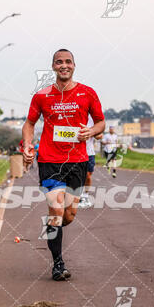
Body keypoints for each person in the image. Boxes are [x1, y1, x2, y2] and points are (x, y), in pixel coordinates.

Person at [22, 49, 105, 280]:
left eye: (68, 62)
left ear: (74, 65)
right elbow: (29, 124)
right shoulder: (42, 96)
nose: (64, 65)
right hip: (49, 160)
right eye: (59, 62)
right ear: (53, 67)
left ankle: (52, 228)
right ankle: (58, 264)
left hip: (77, 161)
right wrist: (28, 145)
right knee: (57, 210)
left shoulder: (87, 93)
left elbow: (100, 123)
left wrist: (92, 130)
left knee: (69, 215)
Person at [79, 115, 103, 209]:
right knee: (77, 175)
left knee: (88, 175)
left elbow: (100, 136)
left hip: (89, 152)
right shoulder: (73, 115)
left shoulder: (92, 119)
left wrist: (90, 132)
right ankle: (78, 195)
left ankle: (85, 196)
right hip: (75, 152)